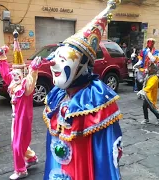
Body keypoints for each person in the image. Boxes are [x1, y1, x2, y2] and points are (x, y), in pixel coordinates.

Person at [42, 0, 123, 179]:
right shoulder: (56, 97)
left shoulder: (99, 102)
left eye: (62, 59)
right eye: (55, 57)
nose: (53, 63)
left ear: (83, 65)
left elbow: (105, 159)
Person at [0, 30, 41, 180]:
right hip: (16, 117)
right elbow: (4, 73)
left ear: (23, 73)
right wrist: (1, 56)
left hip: (23, 117)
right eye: (14, 73)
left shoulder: (25, 86)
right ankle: (31, 158)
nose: (14, 76)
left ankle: (21, 170)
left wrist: (34, 70)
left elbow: (31, 80)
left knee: (16, 144)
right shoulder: (13, 81)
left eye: (18, 74)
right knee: (18, 141)